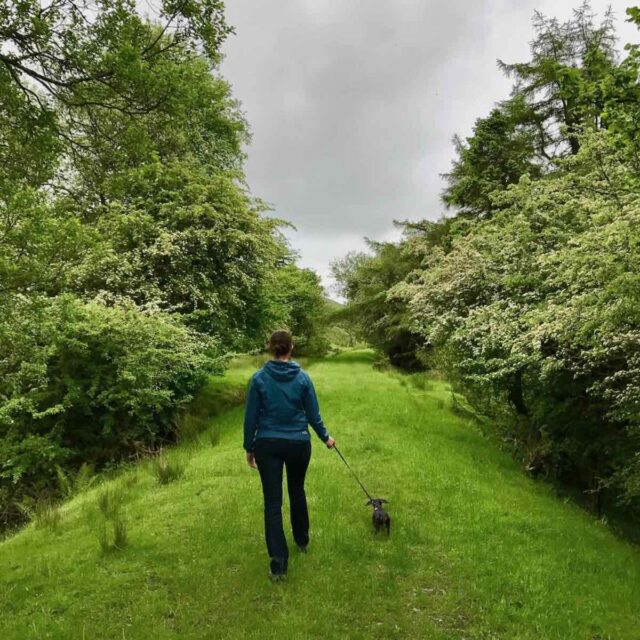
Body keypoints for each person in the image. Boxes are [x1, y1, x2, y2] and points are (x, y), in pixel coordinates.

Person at [243, 329, 336, 581]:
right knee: (297, 490)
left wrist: (249, 448)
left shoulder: (259, 378)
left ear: (270, 347)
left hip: (267, 443)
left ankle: (278, 564)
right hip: (298, 443)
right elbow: (313, 414)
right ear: (291, 348)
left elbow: (250, 417)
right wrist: (326, 437)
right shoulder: (303, 378)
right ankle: (302, 540)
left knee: (273, 503)